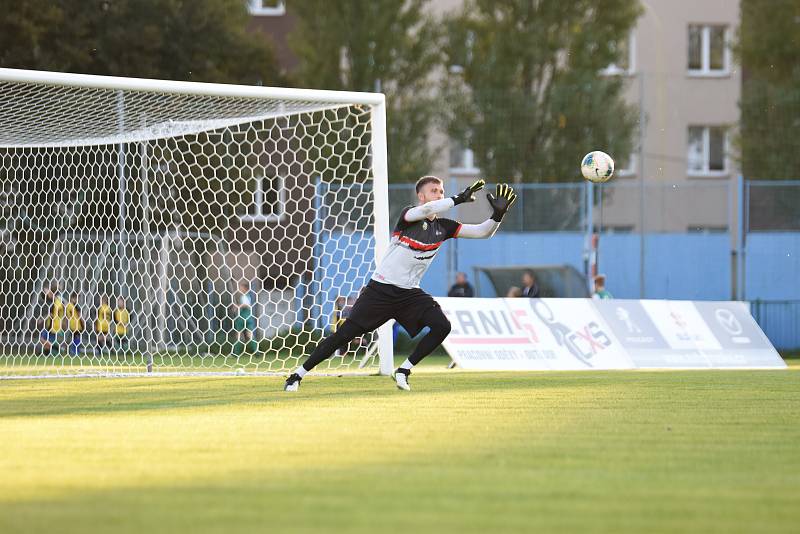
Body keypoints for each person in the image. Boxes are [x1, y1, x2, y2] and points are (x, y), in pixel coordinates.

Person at [285, 176, 517, 392]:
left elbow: (482, 232)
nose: (438, 194)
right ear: (421, 196)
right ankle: (297, 375)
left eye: (442, 191)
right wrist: (456, 199)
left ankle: (403, 370)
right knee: (344, 335)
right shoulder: (409, 216)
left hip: (409, 294)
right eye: (433, 191)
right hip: (381, 290)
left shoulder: (444, 227)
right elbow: (427, 210)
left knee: (442, 326)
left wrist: (497, 216)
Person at [232, 280, 258, 356]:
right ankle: (256, 352)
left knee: (239, 335)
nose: (239, 289)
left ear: (245, 288)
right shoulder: (247, 296)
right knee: (249, 335)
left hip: (243, 317)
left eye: (240, 287)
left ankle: (236, 353)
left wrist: (237, 306)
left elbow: (246, 305)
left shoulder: (244, 296)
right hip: (248, 317)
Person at [39, 283, 65, 356]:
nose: (47, 289)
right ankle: (49, 353)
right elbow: (50, 314)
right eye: (45, 290)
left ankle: (57, 348)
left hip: (53, 324)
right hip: (52, 324)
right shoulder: (51, 300)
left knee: (42, 340)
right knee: (45, 342)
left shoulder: (55, 299)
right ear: (46, 294)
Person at [65, 291, 85, 356]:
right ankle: (75, 351)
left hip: (71, 324)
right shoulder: (76, 305)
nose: (77, 300)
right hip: (77, 324)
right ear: (72, 298)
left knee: (74, 338)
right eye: (76, 298)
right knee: (77, 338)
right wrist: (83, 323)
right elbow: (79, 316)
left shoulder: (67, 305)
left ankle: (73, 351)